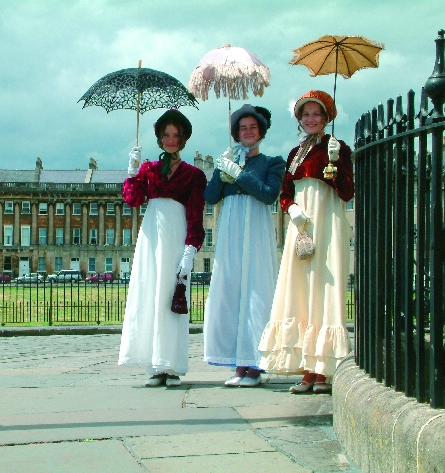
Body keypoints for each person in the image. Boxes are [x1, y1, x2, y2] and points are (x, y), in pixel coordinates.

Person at [258, 90, 354, 394]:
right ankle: (306, 369)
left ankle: (323, 370)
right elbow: (285, 193)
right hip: (301, 227)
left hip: (327, 222)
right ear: (300, 119)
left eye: (317, 114)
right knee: (300, 289)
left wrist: (336, 165)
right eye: (306, 114)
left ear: (326, 118)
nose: (311, 119)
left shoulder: (339, 149)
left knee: (324, 288)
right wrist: (293, 209)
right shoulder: (294, 154)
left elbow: (347, 192)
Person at [118, 109, 207, 387]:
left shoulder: (194, 175)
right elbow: (132, 200)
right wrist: (132, 172)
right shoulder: (149, 170)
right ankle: (155, 366)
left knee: (172, 300)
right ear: (159, 138)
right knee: (150, 296)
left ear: (183, 140)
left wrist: (190, 251)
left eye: (176, 136)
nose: (171, 140)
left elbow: (195, 214)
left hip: (176, 237)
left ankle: (172, 366)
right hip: (151, 239)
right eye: (166, 135)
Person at [203, 104, 285, 387]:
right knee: (231, 291)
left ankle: (255, 365)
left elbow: (268, 194)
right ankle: (238, 363)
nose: (247, 132)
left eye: (252, 127)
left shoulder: (272, 162)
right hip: (230, 229)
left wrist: (238, 174)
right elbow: (211, 196)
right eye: (242, 128)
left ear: (260, 131)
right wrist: (220, 168)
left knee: (255, 291)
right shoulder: (228, 161)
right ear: (236, 134)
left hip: (256, 228)